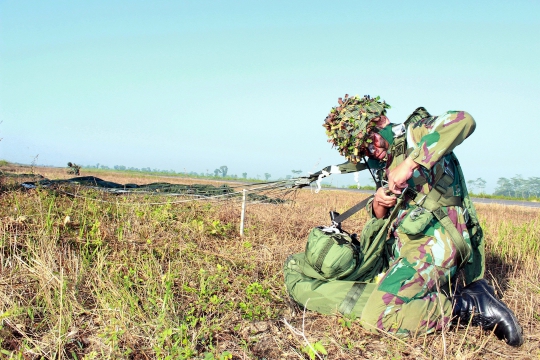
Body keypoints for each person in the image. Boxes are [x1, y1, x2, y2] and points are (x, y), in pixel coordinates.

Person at [287, 94, 523, 346]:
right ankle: (409, 296)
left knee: (379, 316)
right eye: (363, 150)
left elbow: (463, 120)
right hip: (401, 250)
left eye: (370, 140)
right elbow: (383, 218)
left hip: (433, 246)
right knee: (317, 272)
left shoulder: (415, 133)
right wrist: (379, 202)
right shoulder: (384, 162)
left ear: (381, 120)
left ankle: (467, 304)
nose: (371, 150)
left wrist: (410, 164)